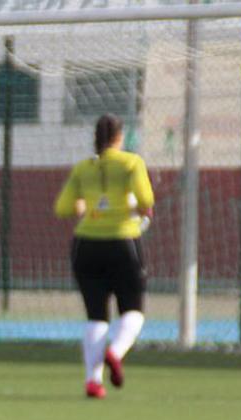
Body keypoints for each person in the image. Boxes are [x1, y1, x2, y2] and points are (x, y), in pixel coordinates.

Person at [54, 113, 154, 399]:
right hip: (123, 243)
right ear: (119, 138)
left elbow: (62, 208)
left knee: (96, 317)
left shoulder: (83, 168)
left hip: (85, 246)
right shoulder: (131, 163)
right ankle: (116, 351)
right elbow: (146, 201)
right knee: (133, 312)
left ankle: (93, 381)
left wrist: (88, 205)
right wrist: (133, 208)